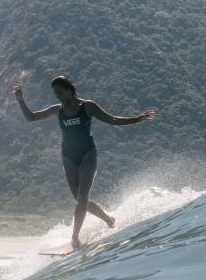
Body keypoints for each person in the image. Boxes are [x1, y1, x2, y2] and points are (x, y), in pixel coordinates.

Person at [13, 75, 156, 249]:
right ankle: (109, 219)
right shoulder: (57, 110)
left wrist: (137, 118)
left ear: (70, 90)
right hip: (68, 157)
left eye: (60, 92)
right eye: (55, 93)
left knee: (82, 197)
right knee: (79, 199)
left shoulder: (87, 106)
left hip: (88, 154)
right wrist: (20, 99)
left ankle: (75, 237)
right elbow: (31, 117)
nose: (58, 96)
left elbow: (112, 120)